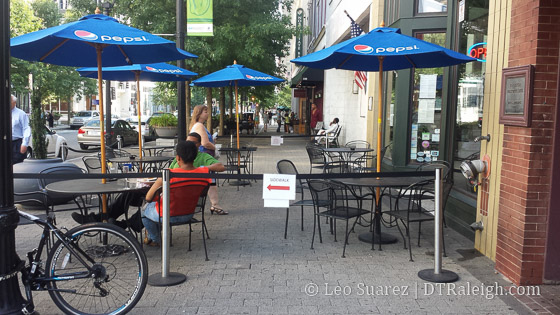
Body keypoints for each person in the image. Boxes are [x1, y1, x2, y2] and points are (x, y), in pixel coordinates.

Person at [142, 140, 212, 246]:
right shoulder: (204, 173)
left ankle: (156, 239)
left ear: (178, 158)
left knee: (143, 211)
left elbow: (148, 197)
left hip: (166, 215)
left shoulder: (168, 174)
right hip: (189, 214)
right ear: (195, 156)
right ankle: (155, 237)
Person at [190, 105, 228, 215]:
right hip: (204, 158)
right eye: (205, 111)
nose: (207, 114)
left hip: (203, 157)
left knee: (211, 182)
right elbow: (205, 143)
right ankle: (214, 205)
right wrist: (215, 147)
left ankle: (215, 204)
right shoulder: (200, 126)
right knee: (210, 181)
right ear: (199, 113)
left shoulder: (198, 126)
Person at [11, 95, 31, 164]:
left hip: (17, 144)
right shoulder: (3, 113)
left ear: (14, 102)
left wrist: (24, 144)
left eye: (10, 101)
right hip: (5, 143)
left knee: (17, 164)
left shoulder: (21, 114)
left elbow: (26, 128)